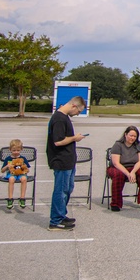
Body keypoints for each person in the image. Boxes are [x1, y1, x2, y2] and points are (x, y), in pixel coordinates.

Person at [46, 95, 86, 231]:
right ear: (74, 106)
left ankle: (61, 214)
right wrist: (75, 138)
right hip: (60, 160)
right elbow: (58, 141)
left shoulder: (65, 118)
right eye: (78, 111)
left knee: (68, 188)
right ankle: (55, 220)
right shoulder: (59, 118)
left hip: (68, 160)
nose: (77, 114)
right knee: (61, 190)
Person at [107, 125, 140, 212]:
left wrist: (133, 172)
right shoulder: (118, 144)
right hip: (118, 167)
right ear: (125, 134)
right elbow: (116, 163)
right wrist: (128, 173)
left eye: (135, 136)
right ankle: (115, 203)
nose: (132, 138)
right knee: (118, 175)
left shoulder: (139, 144)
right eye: (131, 135)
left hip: (134, 167)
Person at [0, 138, 31, 209]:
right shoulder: (8, 159)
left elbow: (27, 170)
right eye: (14, 150)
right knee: (11, 179)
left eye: (18, 150)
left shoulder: (23, 158)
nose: (16, 152)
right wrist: (7, 166)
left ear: (21, 150)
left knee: (24, 179)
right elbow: (2, 171)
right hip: (11, 174)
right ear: (10, 149)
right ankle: (10, 199)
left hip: (21, 174)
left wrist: (24, 167)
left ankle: (22, 198)